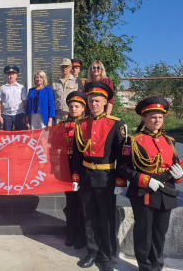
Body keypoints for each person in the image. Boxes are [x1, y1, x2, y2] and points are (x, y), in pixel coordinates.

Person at [119, 97, 183, 271]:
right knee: (144, 232)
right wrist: (145, 180)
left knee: (160, 232)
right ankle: (145, 267)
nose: (156, 121)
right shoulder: (132, 141)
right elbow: (123, 168)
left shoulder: (170, 141)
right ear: (143, 118)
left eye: (160, 117)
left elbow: (175, 166)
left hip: (167, 192)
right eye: (152, 117)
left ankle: (157, 266)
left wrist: (178, 177)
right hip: (144, 192)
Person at [73, 82, 127, 271]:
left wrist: (120, 180)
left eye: (97, 100)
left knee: (106, 218)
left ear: (105, 101)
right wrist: (76, 177)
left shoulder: (115, 123)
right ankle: (92, 252)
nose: (93, 103)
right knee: (89, 217)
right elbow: (77, 153)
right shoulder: (81, 123)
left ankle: (106, 256)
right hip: (87, 175)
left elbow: (121, 155)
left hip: (106, 177)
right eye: (90, 100)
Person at [59, 91, 87, 250]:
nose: (73, 109)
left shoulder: (86, 124)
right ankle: (70, 232)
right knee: (70, 202)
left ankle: (81, 234)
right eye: (71, 106)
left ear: (83, 108)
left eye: (77, 106)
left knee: (82, 201)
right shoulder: (62, 125)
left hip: (83, 165)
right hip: (66, 165)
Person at [52, 58, 84, 123]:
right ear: (60, 68)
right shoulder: (55, 82)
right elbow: (53, 99)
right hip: (58, 114)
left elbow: (81, 97)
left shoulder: (77, 80)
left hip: (72, 112)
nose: (65, 69)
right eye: (63, 67)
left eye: (67, 66)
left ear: (70, 68)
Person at [0, 64, 27, 131]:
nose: (11, 76)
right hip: (6, 115)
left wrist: (25, 116)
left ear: (16, 75)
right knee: (7, 137)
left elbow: (25, 102)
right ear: (7, 76)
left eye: (13, 74)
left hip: (19, 115)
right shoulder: (2, 88)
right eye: (9, 74)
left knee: (19, 136)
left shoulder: (21, 88)